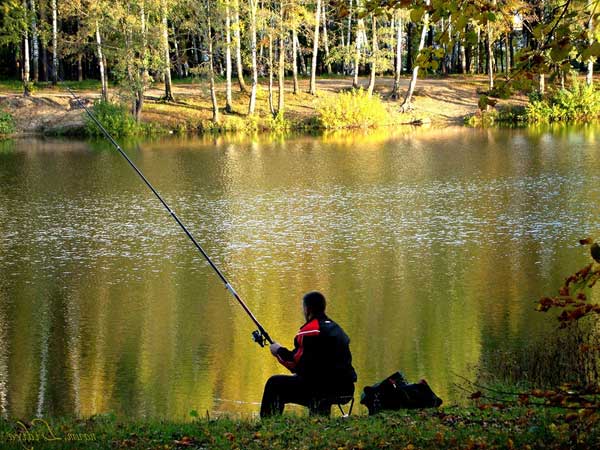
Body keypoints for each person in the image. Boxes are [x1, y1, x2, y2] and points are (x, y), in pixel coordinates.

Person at [260, 291, 357, 417]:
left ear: (307, 309)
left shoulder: (309, 331)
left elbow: (294, 363)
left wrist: (278, 350)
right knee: (318, 379)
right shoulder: (336, 328)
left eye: (303, 308)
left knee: (274, 384)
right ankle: (319, 421)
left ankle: (268, 425)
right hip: (346, 388)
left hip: (323, 389)